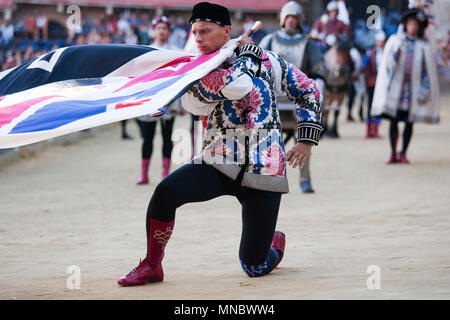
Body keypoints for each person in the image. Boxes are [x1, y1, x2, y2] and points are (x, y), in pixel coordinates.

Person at [117, 1, 324, 286]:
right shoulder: (197, 71)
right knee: (165, 192)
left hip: (264, 169)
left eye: (205, 31)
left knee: (254, 266)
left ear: (227, 31)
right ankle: (152, 264)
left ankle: (273, 245)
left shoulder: (269, 60)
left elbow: (310, 90)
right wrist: (249, 58)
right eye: (195, 32)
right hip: (219, 159)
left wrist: (306, 141)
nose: (198, 39)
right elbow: (234, 83)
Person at [259, 1, 326, 194]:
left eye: (294, 18)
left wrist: (316, 95)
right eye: (288, 17)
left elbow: (319, 72)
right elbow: (257, 68)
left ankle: (305, 177)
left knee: (304, 137)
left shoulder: (308, 43)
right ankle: (267, 177)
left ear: (299, 21)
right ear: (282, 19)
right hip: (272, 101)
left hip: (299, 100)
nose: (290, 21)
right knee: (265, 138)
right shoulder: (269, 41)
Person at [371, 8, 440, 164]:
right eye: (410, 24)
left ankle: (403, 152)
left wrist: (425, 88)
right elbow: (388, 65)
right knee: (394, 121)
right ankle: (392, 152)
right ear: (405, 25)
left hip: (413, 91)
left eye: (416, 24)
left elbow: (427, 71)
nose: (413, 27)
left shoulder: (425, 45)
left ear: (420, 27)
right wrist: (395, 56)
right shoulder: (396, 41)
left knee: (409, 122)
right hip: (396, 89)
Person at [136, 16, 183, 184]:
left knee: (167, 136)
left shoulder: (176, 51)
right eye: (158, 28)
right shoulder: (147, 51)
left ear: (169, 31)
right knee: (147, 137)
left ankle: (165, 173)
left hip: (170, 100)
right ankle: (144, 174)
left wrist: (182, 102)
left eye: (164, 28)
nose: (161, 31)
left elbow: (182, 78)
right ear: (154, 31)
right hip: (152, 99)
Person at [362, 30, 386, 138]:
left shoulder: (387, 52)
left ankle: (375, 129)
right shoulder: (370, 52)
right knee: (370, 104)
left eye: (382, 41)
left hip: (382, 81)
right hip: (371, 81)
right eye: (378, 41)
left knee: (379, 106)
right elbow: (364, 65)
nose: (380, 43)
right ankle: (368, 130)